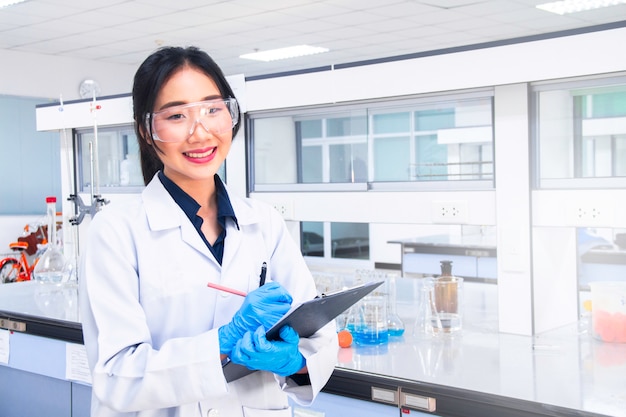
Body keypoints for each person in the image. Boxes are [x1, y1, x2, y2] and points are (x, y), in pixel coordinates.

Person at [79, 46, 338, 417]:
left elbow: (319, 337)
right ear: (146, 130)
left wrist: (293, 360)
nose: (200, 132)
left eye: (213, 109)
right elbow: (117, 375)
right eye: (177, 115)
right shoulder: (116, 232)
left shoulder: (264, 223)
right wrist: (223, 341)